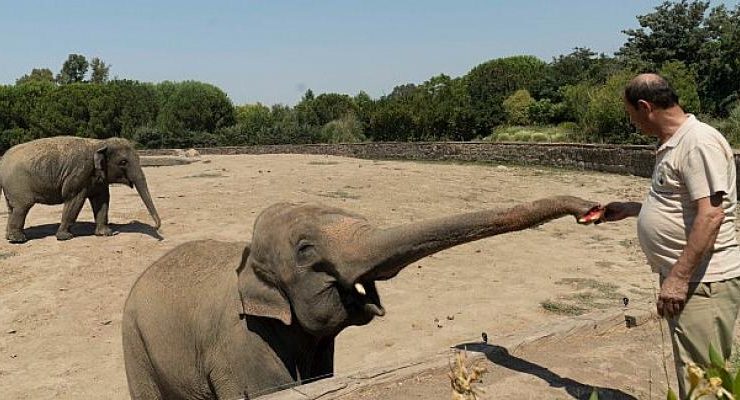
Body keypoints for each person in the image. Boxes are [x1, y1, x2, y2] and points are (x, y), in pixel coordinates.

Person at [602, 73, 740, 397]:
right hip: (692, 281)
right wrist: (634, 208)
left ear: (645, 106)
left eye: (631, 114)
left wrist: (678, 278)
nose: (633, 122)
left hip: (703, 282)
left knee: (705, 381)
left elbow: (711, 215)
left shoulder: (698, 143)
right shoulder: (674, 143)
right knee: (695, 373)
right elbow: (684, 204)